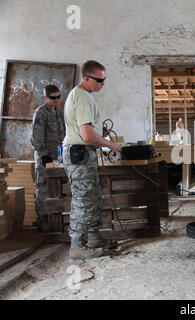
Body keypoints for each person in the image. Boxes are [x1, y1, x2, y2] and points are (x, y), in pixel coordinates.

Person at [63, 60, 120, 260]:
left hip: (85, 154)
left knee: (94, 197)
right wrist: (109, 144)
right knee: (83, 200)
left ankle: (94, 238)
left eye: (104, 80)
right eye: (99, 80)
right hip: (79, 153)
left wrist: (100, 133)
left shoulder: (84, 96)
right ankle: (77, 246)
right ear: (87, 78)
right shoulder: (82, 97)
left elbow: (87, 130)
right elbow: (87, 136)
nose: (102, 84)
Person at [30, 85, 66, 232]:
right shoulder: (41, 112)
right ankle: (43, 220)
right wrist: (43, 153)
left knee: (57, 186)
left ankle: (56, 219)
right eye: (53, 98)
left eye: (58, 97)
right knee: (43, 187)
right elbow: (36, 136)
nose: (56, 100)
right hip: (44, 156)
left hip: (58, 155)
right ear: (46, 97)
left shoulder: (59, 112)